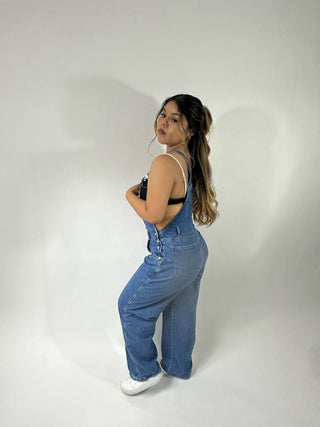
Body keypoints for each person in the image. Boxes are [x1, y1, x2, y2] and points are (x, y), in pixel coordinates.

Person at [118, 94, 219, 396]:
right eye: (163, 114)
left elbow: (154, 215)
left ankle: (145, 372)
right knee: (180, 309)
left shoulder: (164, 161)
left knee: (130, 307)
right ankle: (177, 366)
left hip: (171, 254)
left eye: (175, 119)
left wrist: (129, 195)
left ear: (190, 131)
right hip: (193, 250)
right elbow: (169, 208)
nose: (163, 121)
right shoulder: (185, 159)